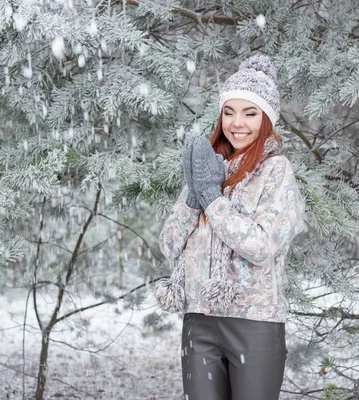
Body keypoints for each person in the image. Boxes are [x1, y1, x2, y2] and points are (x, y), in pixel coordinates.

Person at [154, 54, 307, 400]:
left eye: (250, 113)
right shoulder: (207, 169)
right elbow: (169, 244)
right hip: (200, 320)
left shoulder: (276, 172)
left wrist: (212, 200)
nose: (237, 123)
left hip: (253, 323)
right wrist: (196, 197)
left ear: (266, 118)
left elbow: (260, 246)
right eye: (229, 111)